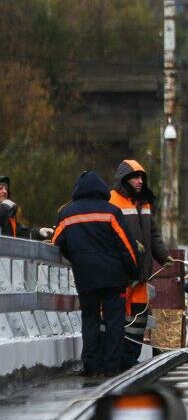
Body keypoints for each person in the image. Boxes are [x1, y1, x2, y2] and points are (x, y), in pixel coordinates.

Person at [53, 171, 139, 376]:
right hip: (114, 278)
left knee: (90, 319)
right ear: (101, 189)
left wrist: (77, 258)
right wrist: (134, 271)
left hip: (85, 278)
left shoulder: (66, 214)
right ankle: (112, 368)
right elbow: (127, 246)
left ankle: (91, 366)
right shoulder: (111, 211)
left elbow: (57, 243)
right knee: (114, 322)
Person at [109, 160, 174, 369]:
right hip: (120, 275)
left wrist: (163, 255)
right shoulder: (112, 201)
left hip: (141, 276)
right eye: (135, 177)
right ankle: (114, 360)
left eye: (141, 178)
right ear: (124, 179)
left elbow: (152, 234)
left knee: (138, 321)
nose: (139, 181)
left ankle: (130, 360)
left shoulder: (144, 204)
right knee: (117, 318)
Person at [0, 175, 54, 240]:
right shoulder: (4, 210)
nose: (5, 191)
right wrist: (3, 208)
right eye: (0, 188)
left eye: (6, 189)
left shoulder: (9, 216)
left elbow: (22, 233)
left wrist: (39, 232)